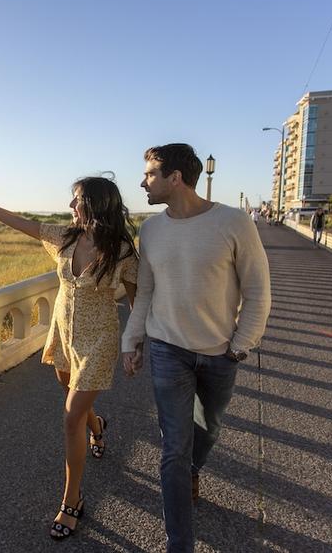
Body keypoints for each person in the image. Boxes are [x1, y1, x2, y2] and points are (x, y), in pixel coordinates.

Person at [121, 143, 271, 553]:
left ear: (176, 178)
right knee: (173, 447)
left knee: (208, 431)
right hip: (168, 351)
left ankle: (194, 469)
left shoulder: (234, 222)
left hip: (220, 352)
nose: (142, 182)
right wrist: (130, 339)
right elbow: (146, 291)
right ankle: (179, 544)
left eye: (150, 173)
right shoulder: (150, 230)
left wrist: (240, 346)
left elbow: (258, 290)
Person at [0, 176, 139, 540]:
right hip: (63, 331)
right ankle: (98, 428)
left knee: (69, 417)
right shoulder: (64, 237)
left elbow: (136, 299)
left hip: (99, 337)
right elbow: (22, 223)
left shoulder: (122, 249)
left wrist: (135, 343)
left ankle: (71, 500)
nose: (70, 206)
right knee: (69, 394)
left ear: (94, 204)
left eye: (76, 200)